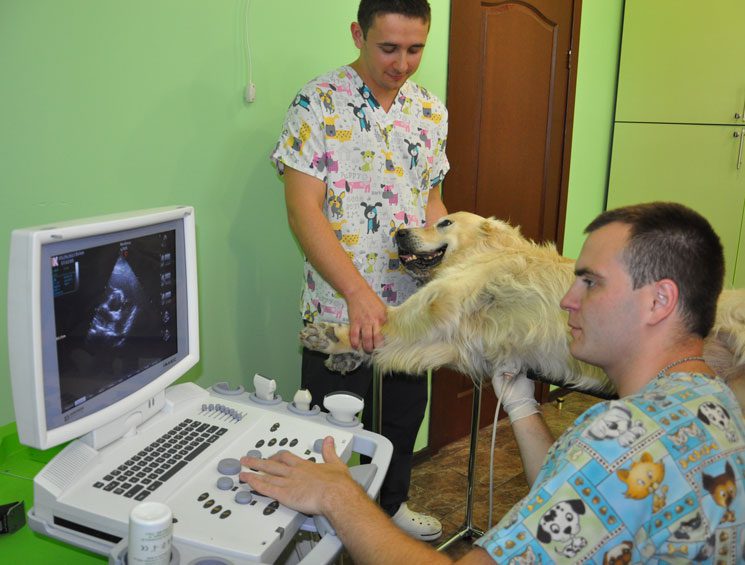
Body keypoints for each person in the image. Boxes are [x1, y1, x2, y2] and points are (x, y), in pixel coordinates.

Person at [241, 202, 745, 563]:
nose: (568, 299)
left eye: (590, 282)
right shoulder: (714, 402)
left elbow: (603, 467)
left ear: (659, 301)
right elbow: (579, 488)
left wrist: (339, 496)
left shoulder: (619, 438)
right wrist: (523, 409)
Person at [269, 0, 449, 540]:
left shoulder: (430, 111)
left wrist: (449, 266)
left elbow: (431, 203)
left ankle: (390, 508)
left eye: (415, 49)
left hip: (409, 307)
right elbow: (302, 211)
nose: (402, 63)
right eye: (389, 48)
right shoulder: (317, 102)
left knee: (402, 416)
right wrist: (356, 292)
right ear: (358, 34)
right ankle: (324, 529)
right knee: (331, 426)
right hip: (336, 309)